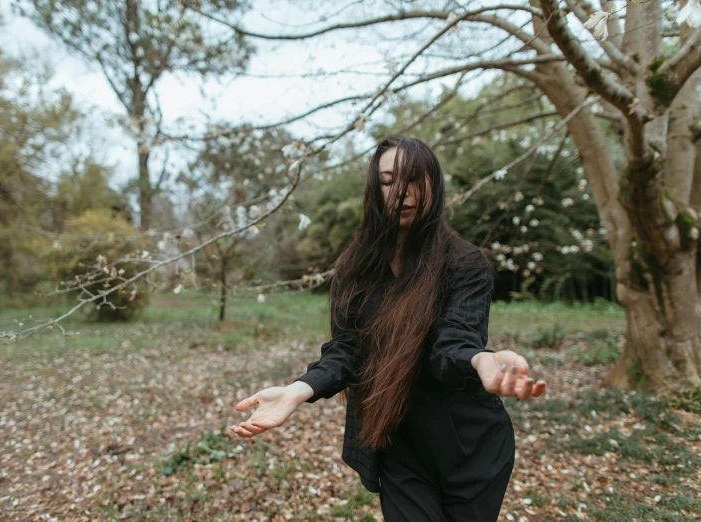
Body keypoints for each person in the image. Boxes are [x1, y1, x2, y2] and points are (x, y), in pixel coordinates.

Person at [229, 135, 547, 521]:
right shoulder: (355, 266)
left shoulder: (464, 263)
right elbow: (347, 350)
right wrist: (298, 391)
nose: (401, 191)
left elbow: (452, 344)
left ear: (434, 183)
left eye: (414, 178)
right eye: (387, 180)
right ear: (373, 188)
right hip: (399, 445)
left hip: (470, 444)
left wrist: (482, 360)